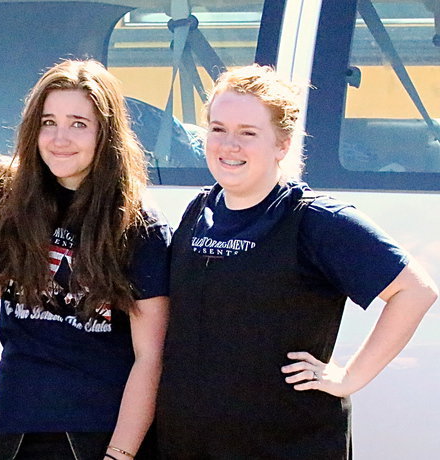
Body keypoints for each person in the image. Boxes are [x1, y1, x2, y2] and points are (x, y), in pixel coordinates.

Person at [155, 65, 437, 458]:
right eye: (218, 129)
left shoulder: (317, 220)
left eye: (248, 133)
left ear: (282, 145)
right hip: (186, 445)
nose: (229, 145)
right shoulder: (199, 210)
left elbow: (415, 291)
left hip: (287, 444)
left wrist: (347, 376)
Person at [0, 59, 171, 460]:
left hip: (94, 436)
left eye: (78, 124)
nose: (60, 138)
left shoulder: (137, 224)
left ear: (106, 133)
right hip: (13, 431)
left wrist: (120, 453)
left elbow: (150, 357)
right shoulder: (8, 204)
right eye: (48, 122)